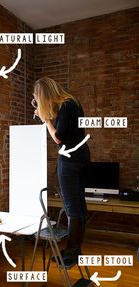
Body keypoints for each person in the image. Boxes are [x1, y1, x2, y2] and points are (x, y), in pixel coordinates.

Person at [32, 77, 90, 263]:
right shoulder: (73, 103)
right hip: (81, 155)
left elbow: (58, 138)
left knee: (72, 207)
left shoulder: (66, 106)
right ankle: (76, 250)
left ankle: (71, 254)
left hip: (70, 159)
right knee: (79, 203)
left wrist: (46, 120)